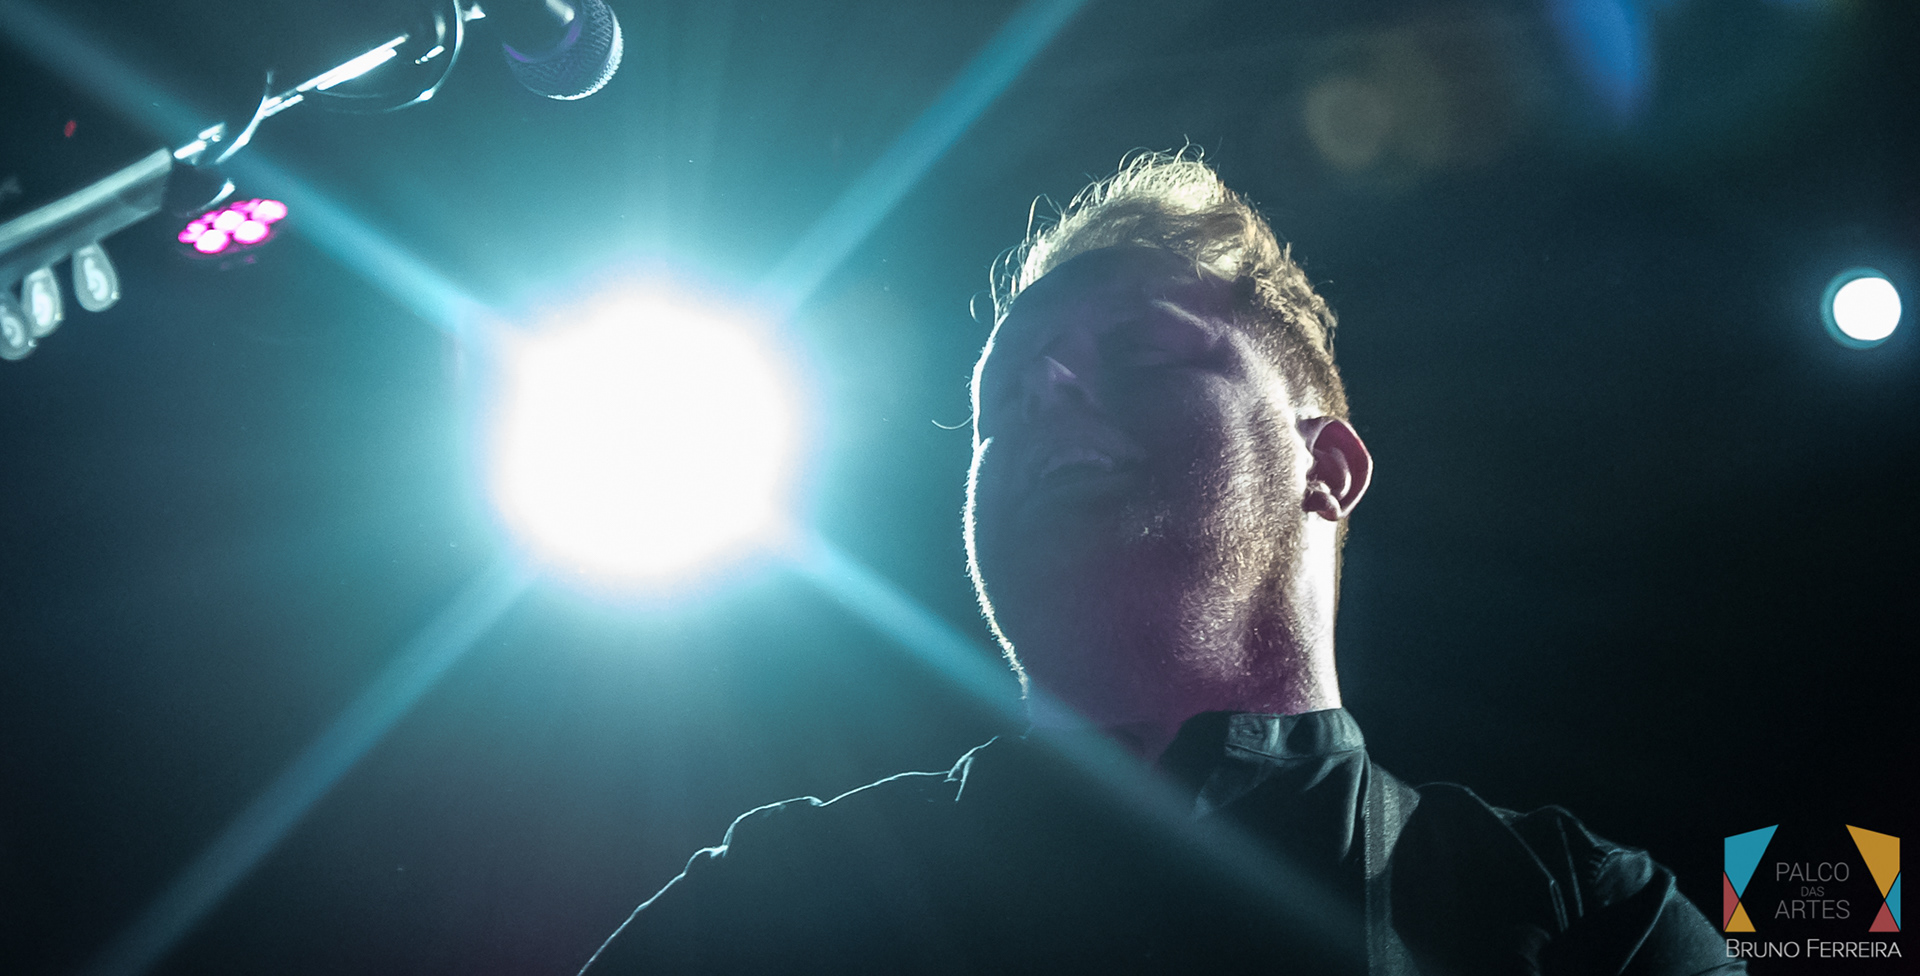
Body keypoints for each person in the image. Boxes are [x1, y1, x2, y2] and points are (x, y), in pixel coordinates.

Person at [581, 154, 1739, 975]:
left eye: (1136, 350)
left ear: (1327, 465)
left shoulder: (1577, 906)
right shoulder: (785, 889)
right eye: (1002, 396)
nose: (1043, 387)